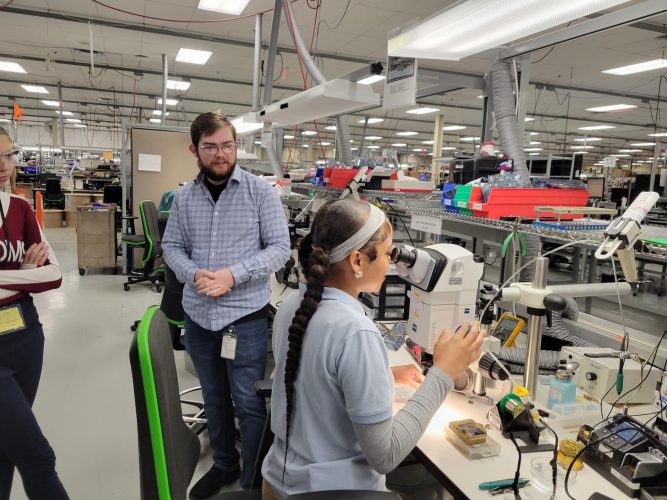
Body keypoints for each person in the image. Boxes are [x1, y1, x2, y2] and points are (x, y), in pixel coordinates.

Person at [261, 199, 484, 499]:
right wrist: (442, 374)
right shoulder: (355, 331)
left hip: (279, 482)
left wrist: (386, 376)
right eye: (387, 253)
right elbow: (386, 455)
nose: (391, 263)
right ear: (357, 261)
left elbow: (317, 380)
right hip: (334, 493)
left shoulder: (293, 305)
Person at [162, 112, 290, 499]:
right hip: (199, 317)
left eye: (227, 145)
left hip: (244, 319)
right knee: (214, 397)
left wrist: (233, 275)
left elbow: (280, 249)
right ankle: (224, 465)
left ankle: (251, 479)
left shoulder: (260, 192)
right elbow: (171, 247)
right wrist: (193, 273)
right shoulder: (184, 197)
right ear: (195, 149)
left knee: (248, 403)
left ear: (237, 146)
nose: (220, 154)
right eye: (211, 147)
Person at [0, 127, 68, 499]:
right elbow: (35, 277)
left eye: (9, 155)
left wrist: (31, 276)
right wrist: (23, 275)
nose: (4, 165)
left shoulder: (21, 208)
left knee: (5, 451)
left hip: (24, 338)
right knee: (36, 456)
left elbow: (54, 275)